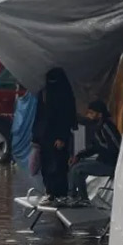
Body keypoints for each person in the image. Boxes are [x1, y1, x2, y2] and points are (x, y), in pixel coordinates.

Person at [33, 68, 78, 206]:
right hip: (45, 135)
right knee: (46, 164)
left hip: (58, 136)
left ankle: (61, 194)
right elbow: (39, 115)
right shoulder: (44, 94)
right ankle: (50, 192)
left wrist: (62, 137)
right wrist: (35, 137)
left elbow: (66, 118)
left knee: (59, 165)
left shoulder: (64, 96)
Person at [65, 100, 122, 207]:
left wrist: (106, 153)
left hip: (110, 164)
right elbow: (94, 148)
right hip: (102, 160)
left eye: (91, 113)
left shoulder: (106, 126)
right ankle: (72, 195)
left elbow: (117, 145)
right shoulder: (96, 127)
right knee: (76, 166)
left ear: (99, 114)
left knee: (78, 170)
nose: (88, 115)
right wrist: (78, 156)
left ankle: (82, 198)